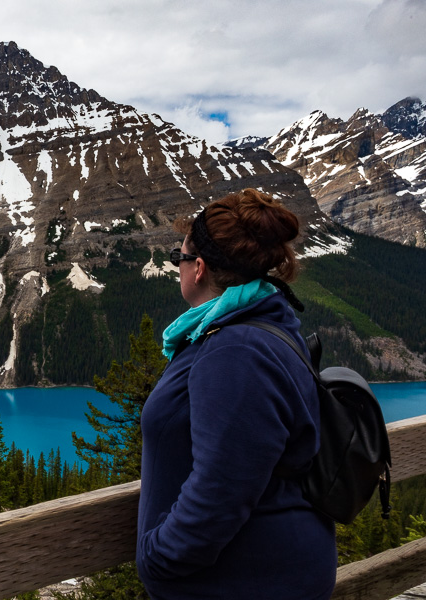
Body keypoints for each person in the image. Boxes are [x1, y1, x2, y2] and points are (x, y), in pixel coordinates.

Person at [136, 189, 337, 599]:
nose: (178, 266)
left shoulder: (234, 351)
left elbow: (220, 491)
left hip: (247, 581)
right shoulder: (260, 323)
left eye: (180, 257)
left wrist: (158, 559)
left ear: (199, 269)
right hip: (269, 568)